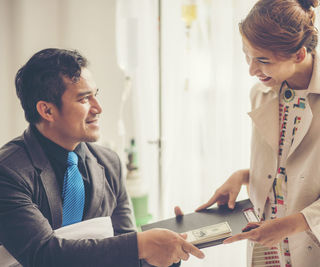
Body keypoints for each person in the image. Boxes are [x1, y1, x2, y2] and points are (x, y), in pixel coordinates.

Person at [196, 0, 320, 266]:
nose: (251, 70)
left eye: (263, 60)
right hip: (273, 249)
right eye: (247, 55)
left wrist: (290, 225)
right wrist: (243, 176)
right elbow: (283, 166)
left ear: (299, 55)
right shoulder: (261, 93)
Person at [0, 48, 204, 267]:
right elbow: (44, 255)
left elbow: (129, 257)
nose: (98, 108)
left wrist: (168, 250)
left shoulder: (109, 163)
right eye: (84, 99)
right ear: (47, 111)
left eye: (95, 95)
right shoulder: (8, 172)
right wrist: (140, 245)